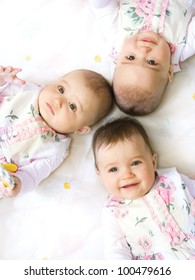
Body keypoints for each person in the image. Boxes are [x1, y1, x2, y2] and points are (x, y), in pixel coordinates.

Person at [0, 65, 113, 198]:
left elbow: (32, 175)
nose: (58, 101)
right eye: (61, 89)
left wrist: (18, 183)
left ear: (81, 129)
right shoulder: (27, 90)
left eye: (72, 106)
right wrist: (3, 80)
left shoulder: (56, 149)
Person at [92, 117, 195, 259]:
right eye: (113, 169)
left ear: (153, 162)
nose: (127, 175)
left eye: (135, 163)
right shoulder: (113, 211)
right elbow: (116, 251)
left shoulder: (174, 180)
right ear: (101, 176)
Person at [89, 0, 195, 115]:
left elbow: (103, 9)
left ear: (117, 60)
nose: (143, 50)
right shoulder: (181, 50)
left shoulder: (118, 39)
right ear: (169, 71)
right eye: (151, 62)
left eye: (130, 58)